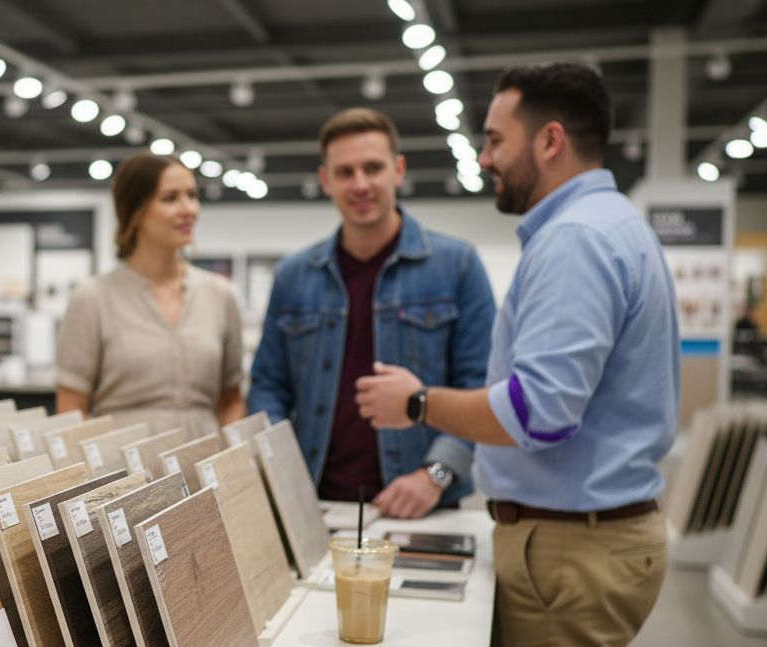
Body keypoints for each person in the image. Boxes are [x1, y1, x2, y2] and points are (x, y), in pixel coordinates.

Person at [355, 62, 677, 647]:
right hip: (580, 539)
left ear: (551, 140)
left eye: (497, 140)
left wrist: (416, 402)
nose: (485, 157)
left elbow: (540, 413)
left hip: (571, 549)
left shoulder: (576, 242)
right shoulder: (608, 225)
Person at [248, 108, 495, 518]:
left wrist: (435, 474)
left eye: (373, 168)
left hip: (425, 504)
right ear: (326, 180)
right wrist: (279, 470)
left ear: (398, 170)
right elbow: (268, 387)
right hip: (314, 504)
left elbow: (482, 387)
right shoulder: (293, 276)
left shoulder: (458, 265)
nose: (360, 184)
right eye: (345, 172)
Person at [56, 151, 245, 438]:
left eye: (192, 195)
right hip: (125, 475)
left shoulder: (221, 295)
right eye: (170, 198)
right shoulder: (92, 298)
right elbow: (72, 409)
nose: (189, 209)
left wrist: (233, 460)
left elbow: (231, 398)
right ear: (135, 211)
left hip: (204, 473)